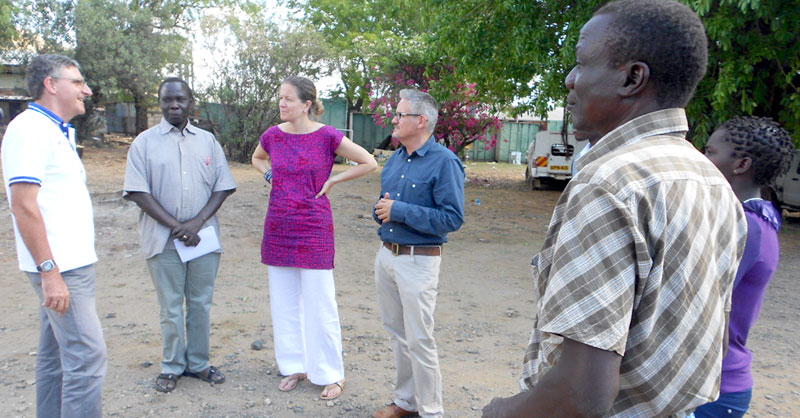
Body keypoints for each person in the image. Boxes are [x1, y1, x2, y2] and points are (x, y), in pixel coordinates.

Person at [482, 1, 748, 416]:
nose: (570, 80)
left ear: (632, 78)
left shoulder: (610, 183)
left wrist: (500, 412)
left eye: (581, 64)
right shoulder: (711, 181)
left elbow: (581, 395)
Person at [251, 76, 377, 400]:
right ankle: (294, 364)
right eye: (280, 98)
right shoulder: (272, 136)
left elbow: (368, 162)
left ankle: (331, 373)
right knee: (284, 302)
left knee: (320, 303)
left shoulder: (328, 137)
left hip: (314, 228)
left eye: (288, 99)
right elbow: (257, 157)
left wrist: (334, 180)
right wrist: (269, 175)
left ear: (307, 104)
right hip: (278, 227)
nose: (282, 104)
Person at [1, 54, 107, 417]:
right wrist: (50, 272)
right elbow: (23, 205)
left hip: (69, 266)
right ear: (51, 84)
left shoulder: (54, 129)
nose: (86, 90)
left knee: (57, 358)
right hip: (61, 270)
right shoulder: (29, 130)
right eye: (77, 82)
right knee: (87, 358)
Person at [123, 77, 236, 393]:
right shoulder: (144, 143)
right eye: (167, 100)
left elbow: (223, 186)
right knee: (170, 305)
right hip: (163, 240)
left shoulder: (208, 141)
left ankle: (198, 364)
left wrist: (197, 223)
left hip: (203, 239)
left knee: (200, 303)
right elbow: (136, 192)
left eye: (180, 100)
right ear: (159, 103)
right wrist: (177, 226)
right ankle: (172, 366)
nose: (174, 105)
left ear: (191, 102)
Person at [693, 117, 795, 418]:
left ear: (741, 165)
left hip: (714, 387)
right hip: (714, 381)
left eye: (710, 152)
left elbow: (695, 299)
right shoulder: (757, 219)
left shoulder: (747, 226)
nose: (702, 158)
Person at [372, 89, 465, 418]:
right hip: (387, 256)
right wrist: (383, 210)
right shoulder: (396, 158)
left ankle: (431, 412)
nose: (394, 120)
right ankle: (406, 403)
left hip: (419, 260)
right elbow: (384, 205)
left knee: (420, 340)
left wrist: (399, 211)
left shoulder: (445, 163)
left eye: (400, 115)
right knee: (398, 336)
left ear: (421, 121)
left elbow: (452, 219)